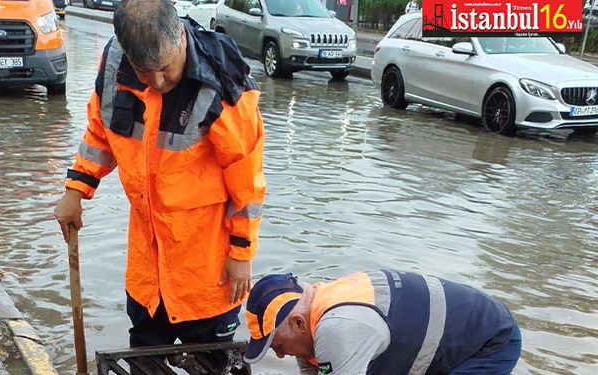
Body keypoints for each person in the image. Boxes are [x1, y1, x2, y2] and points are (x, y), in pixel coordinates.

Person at [53, 0, 265, 349]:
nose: (156, 81)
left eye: (165, 68)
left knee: (215, 365)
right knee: (144, 359)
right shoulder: (116, 67)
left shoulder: (224, 83)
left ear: (181, 37)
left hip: (207, 270)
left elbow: (248, 182)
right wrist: (75, 190)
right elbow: (101, 133)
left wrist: (241, 254)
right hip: (147, 273)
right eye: (144, 71)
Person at [244, 270, 522, 375]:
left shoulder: (337, 329)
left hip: (489, 342)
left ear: (297, 323)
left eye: (277, 345)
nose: (280, 355)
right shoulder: (313, 315)